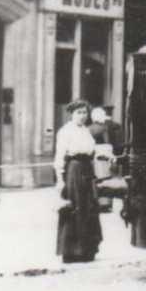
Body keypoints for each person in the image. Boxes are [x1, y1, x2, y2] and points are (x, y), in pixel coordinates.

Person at [54, 100, 102, 264]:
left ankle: (87, 250)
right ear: (71, 114)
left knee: (88, 208)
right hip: (73, 170)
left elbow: (93, 150)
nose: (82, 116)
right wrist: (60, 180)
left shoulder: (86, 131)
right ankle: (71, 251)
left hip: (86, 170)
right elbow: (59, 155)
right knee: (75, 209)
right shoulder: (65, 131)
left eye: (84, 113)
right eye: (78, 113)